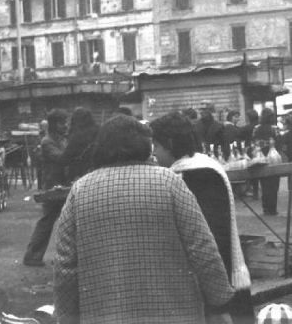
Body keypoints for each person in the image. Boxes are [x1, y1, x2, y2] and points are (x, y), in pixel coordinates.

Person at [53, 115, 235, 324]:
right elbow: (202, 247)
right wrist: (219, 302)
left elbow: (65, 264)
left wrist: (67, 316)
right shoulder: (169, 183)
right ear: (145, 146)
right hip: (173, 313)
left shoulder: (80, 191)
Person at [150, 111, 254, 324]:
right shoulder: (199, 168)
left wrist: (216, 301)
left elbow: (209, 239)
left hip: (215, 289)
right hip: (217, 284)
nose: (154, 153)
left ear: (169, 143)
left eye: (156, 146)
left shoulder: (197, 175)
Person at [23, 108, 69, 267]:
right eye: (62, 123)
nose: (65, 125)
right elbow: (61, 158)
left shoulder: (62, 139)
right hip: (53, 188)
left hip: (63, 186)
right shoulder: (47, 141)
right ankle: (31, 256)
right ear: (54, 124)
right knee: (47, 222)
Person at [253, 107, 281, 216]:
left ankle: (265, 208)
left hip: (261, 157)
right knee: (274, 184)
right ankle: (272, 208)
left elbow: (254, 141)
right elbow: (279, 142)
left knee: (264, 184)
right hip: (273, 158)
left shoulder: (256, 128)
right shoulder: (275, 128)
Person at [63, 107, 99, 183]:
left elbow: (65, 158)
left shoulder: (77, 136)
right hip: (97, 172)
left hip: (79, 174)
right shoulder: (99, 130)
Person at [239, 109, 260, 199]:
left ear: (248, 118)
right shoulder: (259, 127)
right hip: (259, 149)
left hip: (249, 150)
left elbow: (239, 135)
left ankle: (254, 191)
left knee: (253, 170)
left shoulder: (246, 128)